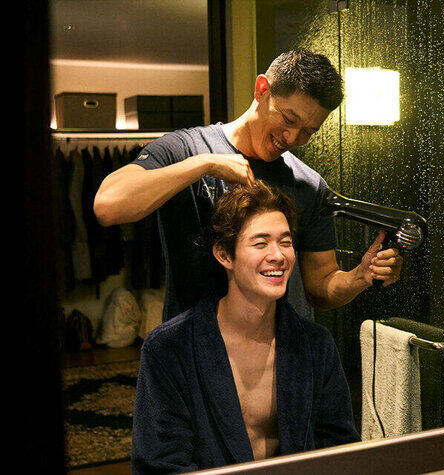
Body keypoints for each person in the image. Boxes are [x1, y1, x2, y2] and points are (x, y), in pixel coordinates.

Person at [94, 49, 402, 321]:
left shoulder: (309, 186)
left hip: (276, 353)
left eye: (308, 131)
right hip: (192, 351)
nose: (292, 138)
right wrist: (204, 165)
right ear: (262, 89)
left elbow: (320, 287)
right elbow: (109, 206)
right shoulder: (185, 149)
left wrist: (359, 277)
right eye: (289, 119)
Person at [132, 182, 360, 473]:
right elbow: (161, 465)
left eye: (286, 242)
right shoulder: (169, 348)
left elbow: (340, 452)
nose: (278, 255)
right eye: (260, 243)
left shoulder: (316, 344)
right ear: (225, 255)